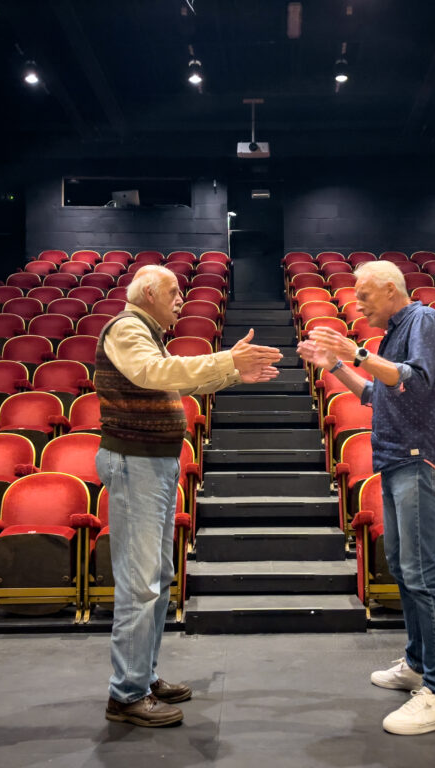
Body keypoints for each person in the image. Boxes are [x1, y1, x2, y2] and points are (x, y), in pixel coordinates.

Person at [94, 264, 282, 727]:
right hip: (137, 463)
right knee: (141, 584)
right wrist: (226, 363)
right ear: (151, 291)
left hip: (153, 464)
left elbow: (180, 379)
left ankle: (143, 675)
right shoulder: (126, 328)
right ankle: (126, 694)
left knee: (156, 577)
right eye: (175, 291)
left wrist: (232, 372)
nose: (182, 298)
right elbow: (154, 373)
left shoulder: (146, 331)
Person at [297, 260, 435, 735]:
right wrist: (338, 367)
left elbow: (416, 379)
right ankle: (416, 663)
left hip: (417, 457)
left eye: (364, 295)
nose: (358, 303)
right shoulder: (395, 331)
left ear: (391, 290)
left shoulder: (424, 320)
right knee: (404, 567)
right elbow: (375, 392)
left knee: (422, 573)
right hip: (394, 458)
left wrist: (359, 352)